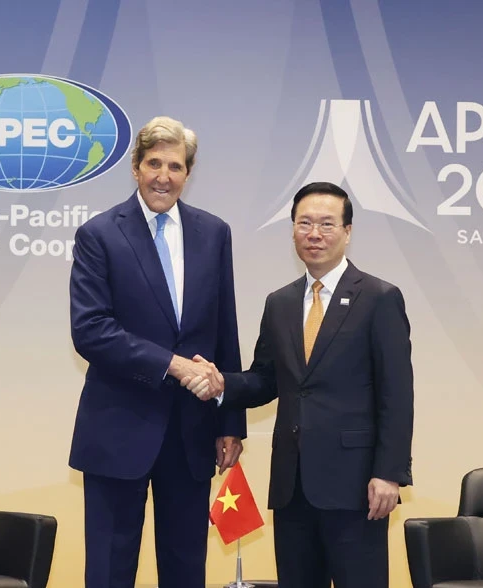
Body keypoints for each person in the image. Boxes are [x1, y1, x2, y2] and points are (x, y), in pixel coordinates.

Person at [184, 181, 414, 588]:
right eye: (304, 223)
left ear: (347, 231)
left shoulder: (379, 297)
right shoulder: (280, 302)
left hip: (357, 484)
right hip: (292, 486)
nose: (314, 234)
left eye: (327, 224)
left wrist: (390, 473)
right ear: (292, 230)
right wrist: (223, 385)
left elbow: (396, 396)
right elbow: (266, 379)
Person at [68, 116, 246, 588]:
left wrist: (230, 423)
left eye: (175, 166)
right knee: (109, 570)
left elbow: (224, 329)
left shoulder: (215, 233)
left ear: (188, 173)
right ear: (135, 167)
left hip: (192, 432)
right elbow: (90, 331)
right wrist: (171, 364)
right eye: (153, 164)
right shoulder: (99, 234)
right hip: (118, 428)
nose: (163, 176)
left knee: (187, 570)